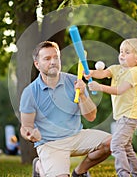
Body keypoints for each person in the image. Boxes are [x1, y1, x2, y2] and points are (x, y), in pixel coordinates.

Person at [19, 41, 112, 177]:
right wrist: (30, 134)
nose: (53, 62)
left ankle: (79, 172)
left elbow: (91, 116)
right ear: (37, 64)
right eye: (47, 58)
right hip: (50, 144)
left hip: (76, 136)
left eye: (56, 57)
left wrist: (82, 96)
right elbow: (25, 127)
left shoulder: (74, 81)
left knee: (112, 142)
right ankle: (40, 166)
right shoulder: (30, 92)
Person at [85, 38, 137, 177]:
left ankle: (123, 174)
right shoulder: (116, 68)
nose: (122, 54)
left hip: (130, 116)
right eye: (121, 51)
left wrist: (99, 87)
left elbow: (120, 90)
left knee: (116, 145)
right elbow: (102, 73)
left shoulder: (134, 73)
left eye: (127, 52)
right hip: (122, 117)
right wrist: (90, 73)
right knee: (126, 147)